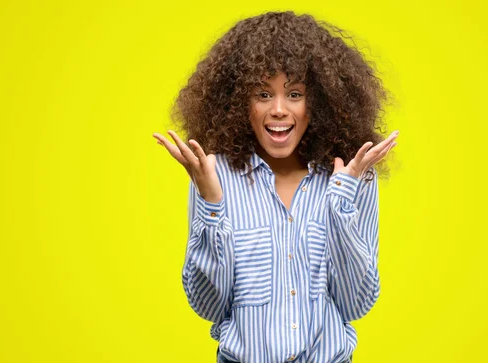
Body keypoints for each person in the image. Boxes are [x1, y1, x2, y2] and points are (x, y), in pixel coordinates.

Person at [152, 11, 399, 363]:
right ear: (240, 104)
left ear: (319, 103)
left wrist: (342, 199)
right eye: (264, 94)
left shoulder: (352, 176)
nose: (279, 109)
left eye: (295, 94)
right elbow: (208, 306)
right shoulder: (213, 176)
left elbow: (356, 303)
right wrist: (211, 203)